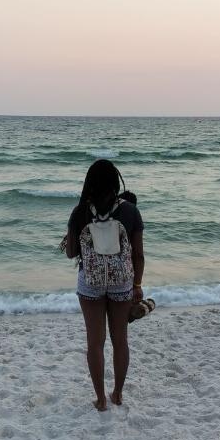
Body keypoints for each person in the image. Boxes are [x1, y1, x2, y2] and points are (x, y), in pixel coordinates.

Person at [64, 160, 145, 411]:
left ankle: (100, 399)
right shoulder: (130, 211)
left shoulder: (80, 212)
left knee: (95, 343)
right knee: (120, 340)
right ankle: (117, 394)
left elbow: (71, 253)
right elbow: (138, 255)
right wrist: (137, 285)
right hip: (122, 282)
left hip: (90, 283)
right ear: (115, 182)